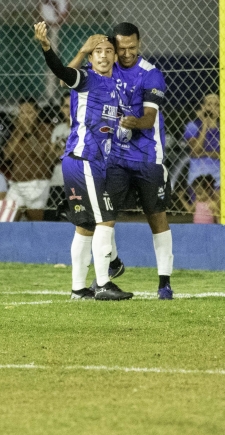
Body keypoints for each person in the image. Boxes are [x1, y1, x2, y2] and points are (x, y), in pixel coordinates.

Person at [71, 22, 174, 300]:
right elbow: (70, 80)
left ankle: (164, 283)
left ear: (140, 44)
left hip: (147, 156)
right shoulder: (105, 66)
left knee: (156, 216)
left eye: (132, 48)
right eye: (122, 48)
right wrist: (83, 51)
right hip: (113, 158)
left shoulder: (151, 74)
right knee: (103, 216)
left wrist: (133, 122)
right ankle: (109, 267)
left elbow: (149, 119)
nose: (127, 53)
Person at [36, 21, 131, 301]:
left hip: (93, 162)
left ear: (115, 56)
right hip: (83, 159)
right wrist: (47, 46)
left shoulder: (115, 86)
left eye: (108, 50)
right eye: (97, 51)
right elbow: (62, 73)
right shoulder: (88, 78)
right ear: (90, 57)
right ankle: (102, 284)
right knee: (106, 219)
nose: (103, 55)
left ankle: (78, 290)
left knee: (86, 226)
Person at [3, 99, 57, 221]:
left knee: (37, 223)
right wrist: (19, 133)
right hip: (16, 184)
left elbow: (42, 154)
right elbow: (6, 156)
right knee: (6, 220)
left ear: (36, 113)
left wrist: (29, 133)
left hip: (37, 183)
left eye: (29, 112)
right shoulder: (16, 131)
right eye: (22, 113)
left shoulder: (45, 129)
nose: (25, 116)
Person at [184, 92, 222, 198]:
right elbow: (195, 150)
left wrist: (204, 153)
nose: (213, 108)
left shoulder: (224, 128)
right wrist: (205, 124)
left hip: (218, 181)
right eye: (209, 104)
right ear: (203, 107)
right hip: (197, 181)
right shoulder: (193, 126)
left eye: (217, 105)